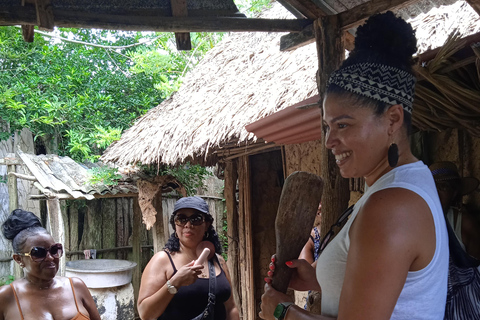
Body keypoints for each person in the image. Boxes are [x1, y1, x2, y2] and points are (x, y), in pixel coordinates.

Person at [260, 11, 449, 320]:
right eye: (327, 127)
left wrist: (282, 312)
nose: (329, 141)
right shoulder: (405, 184)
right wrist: (322, 279)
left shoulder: (392, 206)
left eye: (344, 125)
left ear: (392, 119)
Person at [137, 196, 239, 320]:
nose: (188, 225)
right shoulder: (162, 261)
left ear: (206, 224)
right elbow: (145, 314)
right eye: (181, 219)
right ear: (175, 224)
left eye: (196, 219)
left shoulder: (218, 261)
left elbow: (231, 308)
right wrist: (175, 282)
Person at [0, 209, 100, 320]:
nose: (50, 257)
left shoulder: (76, 287)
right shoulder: (6, 297)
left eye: (54, 250)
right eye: (38, 252)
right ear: (19, 259)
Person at [429, 161, 480, 260]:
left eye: (442, 187)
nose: (436, 193)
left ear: (453, 193)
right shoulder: (414, 224)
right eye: (432, 187)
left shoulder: (463, 225)